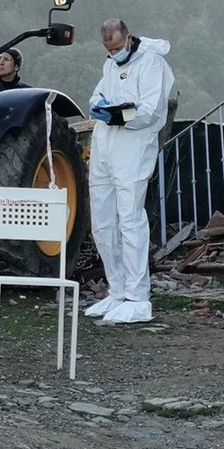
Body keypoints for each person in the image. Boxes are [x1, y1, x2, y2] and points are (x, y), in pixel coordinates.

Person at [82, 18, 174, 325]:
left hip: (132, 148)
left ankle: (138, 297)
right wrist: (99, 106)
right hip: (105, 146)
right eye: (108, 49)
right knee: (103, 222)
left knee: (130, 221)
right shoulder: (110, 64)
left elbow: (150, 109)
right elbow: (97, 95)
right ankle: (117, 289)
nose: (114, 53)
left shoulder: (151, 64)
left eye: (118, 47)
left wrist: (119, 115)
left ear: (129, 37)